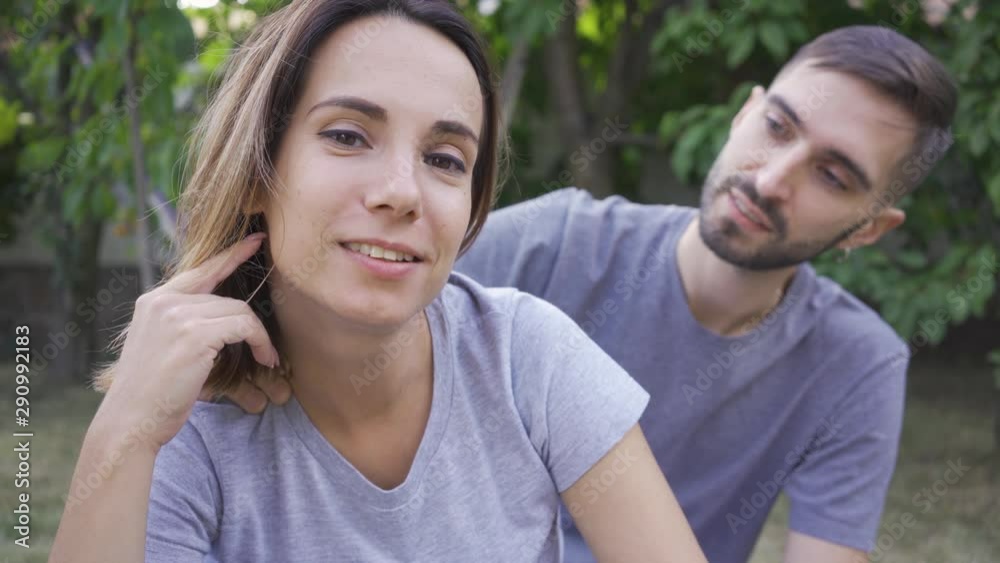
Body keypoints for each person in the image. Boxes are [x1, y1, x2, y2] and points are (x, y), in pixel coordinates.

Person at [226, 23, 958, 563]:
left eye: (833, 175)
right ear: (744, 114)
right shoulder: (552, 243)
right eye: (777, 128)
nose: (771, 178)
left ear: (870, 229)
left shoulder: (858, 364)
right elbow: (345, 298)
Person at [48, 1, 709, 562]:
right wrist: (123, 432)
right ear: (256, 172)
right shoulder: (180, 427)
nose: (402, 192)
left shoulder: (526, 357)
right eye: (347, 135)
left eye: (445, 159)